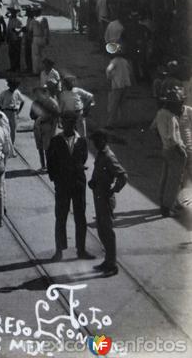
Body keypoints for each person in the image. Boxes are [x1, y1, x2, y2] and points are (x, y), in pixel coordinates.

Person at [47, 113, 93, 261]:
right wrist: (56, 179)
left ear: (74, 125)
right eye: (64, 123)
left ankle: (81, 250)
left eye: (70, 123)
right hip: (62, 184)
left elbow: (83, 158)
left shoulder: (82, 141)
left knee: (80, 217)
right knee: (60, 217)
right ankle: (59, 250)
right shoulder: (55, 141)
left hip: (78, 184)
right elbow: (50, 162)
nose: (67, 126)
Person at [89, 129, 128, 278]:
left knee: (107, 232)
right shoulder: (101, 154)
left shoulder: (109, 157)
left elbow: (123, 176)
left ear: (103, 141)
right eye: (94, 141)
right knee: (101, 230)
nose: (95, 144)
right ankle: (107, 260)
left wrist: (114, 189)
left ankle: (112, 264)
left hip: (105, 197)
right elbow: (99, 171)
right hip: (99, 196)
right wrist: (93, 181)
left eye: (97, 141)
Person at [151, 86, 187, 216]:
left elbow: (153, 128)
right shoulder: (171, 117)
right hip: (174, 150)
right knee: (174, 181)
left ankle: (162, 202)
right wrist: (181, 150)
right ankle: (167, 207)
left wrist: (162, 140)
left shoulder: (160, 113)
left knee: (165, 178)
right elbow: (173, 137)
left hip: (165, 150)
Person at [30, 83, 60, 171]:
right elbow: (31, 115)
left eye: (39, 93)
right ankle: (43, 166)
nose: (37, 95)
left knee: (47, 148)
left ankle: (49, 166)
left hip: (47, 126)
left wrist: (45, 118)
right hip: (37, 126)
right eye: (35, 93)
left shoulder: (50, 102)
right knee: (39, 147)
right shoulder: (35, 103)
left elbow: (56, 114)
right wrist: (38, 118)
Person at [105, 42, 132, 128]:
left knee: (114, 104)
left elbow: (108, 70)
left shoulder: (114, 61)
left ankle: (111, 123)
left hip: (117, 85)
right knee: (124, 105)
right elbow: (130, 71)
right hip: (126, 84)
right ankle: (124, 123)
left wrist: (110, 77)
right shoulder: (125, 61)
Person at [0, 79, 25, 143]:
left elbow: (23, 101)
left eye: (15, 86)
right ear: (9, 86)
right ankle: (5, 144)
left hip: (13, 112)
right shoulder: (4, 93)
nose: (13, 87)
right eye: (12, 85)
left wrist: (19, 111)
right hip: (6, 111)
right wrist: (2, 111)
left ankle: (12, 145)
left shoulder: (17, 92)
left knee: (13, 130)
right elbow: (0, 103)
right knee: (5, 128)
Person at [29, 6, 50, 75]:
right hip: (43, 37)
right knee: (43, 55)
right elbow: (46, 29)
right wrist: (46, 38)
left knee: (35, 55)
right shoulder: (44, 19)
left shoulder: (33, 20)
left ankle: (36, 71)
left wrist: (30, 39)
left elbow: (30, 31)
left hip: (36, 37)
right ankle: (43, 70)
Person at [6, 8, 24, 72]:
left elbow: (22, 29)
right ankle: (12, 67)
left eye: (14, 12)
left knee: (17, 53)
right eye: (12, 12)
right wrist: (7, 37)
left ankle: (17, 67)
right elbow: (8, 28)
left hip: (17, 39)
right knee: (11, 53)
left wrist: (16, 30)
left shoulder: (19, 20)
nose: (13, 13)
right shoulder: (10, 19)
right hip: (11, 38)